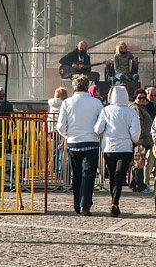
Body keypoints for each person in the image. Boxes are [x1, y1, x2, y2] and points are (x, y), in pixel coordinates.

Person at [55, 75, 103, 216]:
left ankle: (76, 204)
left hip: (73, 142)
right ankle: (85, 205)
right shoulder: (96, 103)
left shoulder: (67, 103)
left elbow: (60, 125)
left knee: (75, 175)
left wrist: (67, 135)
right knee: (88, 175)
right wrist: (96, 133)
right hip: (91, 142)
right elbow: (101, 124)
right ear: (87, 86)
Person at [94, 86, 140, 217]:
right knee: (120, 175)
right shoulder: (131, 112)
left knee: (113, 175)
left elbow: (98, 128)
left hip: (109, 147)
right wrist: (133, 140)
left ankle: (114, 200)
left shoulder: (106, 111)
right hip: (125, 147)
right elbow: (135, 131)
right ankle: (115, 201)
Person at [128, 88, 154, 193]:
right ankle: (139, 185)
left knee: (138, 162)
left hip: (143, 139)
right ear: (135, 98)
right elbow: (139, 124)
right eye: (140, 98)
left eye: (144, 98)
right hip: (140, 140)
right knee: (139, 162)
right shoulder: (136, 108)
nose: (142, 100)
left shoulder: (143, 108)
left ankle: (134, 184)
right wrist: (140, 137)